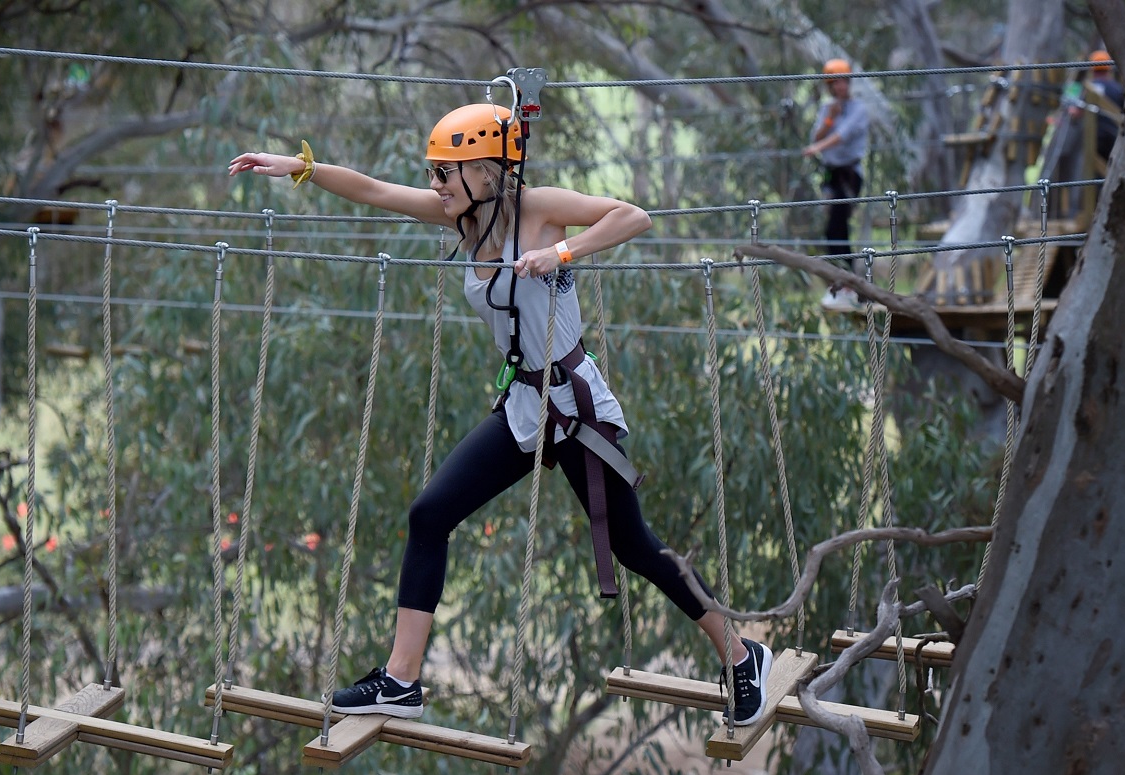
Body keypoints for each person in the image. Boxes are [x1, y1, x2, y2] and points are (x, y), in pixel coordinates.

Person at [227, 104, 774, 725]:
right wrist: (300, 167)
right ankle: (401, 682)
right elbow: (374, 190)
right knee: (429, 515)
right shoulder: (457, 217)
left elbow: (633, 216)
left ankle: (740, 653)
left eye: (445, 173)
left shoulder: (536, 209)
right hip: (523, 406)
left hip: (576, 408)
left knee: (635, 547)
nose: (434, 186)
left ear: (485, 172)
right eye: (432, 174)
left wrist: (560, 254)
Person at [804, 58, 869, 312]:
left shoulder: (858, 110)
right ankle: (840, 283)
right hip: (831, 174)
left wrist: (815, 149)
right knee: (832, 230)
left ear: (849, 82)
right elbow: (817, 135)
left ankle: (848, 285)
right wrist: (829, 119)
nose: (838, 87)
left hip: (849, 174)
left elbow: (841, 137)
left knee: (837, 227)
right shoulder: (828, 109)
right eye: (834, 83)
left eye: (842, 82)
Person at [1086, 50, 1125, 161]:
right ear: (1109, 67)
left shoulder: (1088, 88)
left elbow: (1076, 113)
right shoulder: (1117, 89)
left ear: (1091, 68)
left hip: (1092, 137)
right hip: (1114, 135)